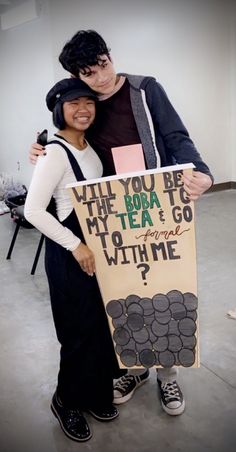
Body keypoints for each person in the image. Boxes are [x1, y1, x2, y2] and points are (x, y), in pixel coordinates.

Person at [29, 30, 214, 416]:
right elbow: (67, 136)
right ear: (77, 78)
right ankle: (134, 367)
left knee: (166, 293)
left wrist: (203, 172)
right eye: (87, 73)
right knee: (124, 297)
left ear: (110, 56)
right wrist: (39, 144)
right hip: (109, 216)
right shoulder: (87, 103)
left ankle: (168, 379)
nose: (99, 77)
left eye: (102, 65)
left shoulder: (145, 89)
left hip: (155, 205)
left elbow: (176, 135)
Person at [25, 77, 123, 442]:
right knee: (76, 333)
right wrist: (75, 246)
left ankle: (95, 394)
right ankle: (65, 400)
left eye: (89, 103)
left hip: (94, 251)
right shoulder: (54, 152)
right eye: (73, 104)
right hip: (69, 255)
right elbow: (34, 211)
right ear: (59, 110)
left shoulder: (89, 146)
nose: (83, 109)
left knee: (98, 327)